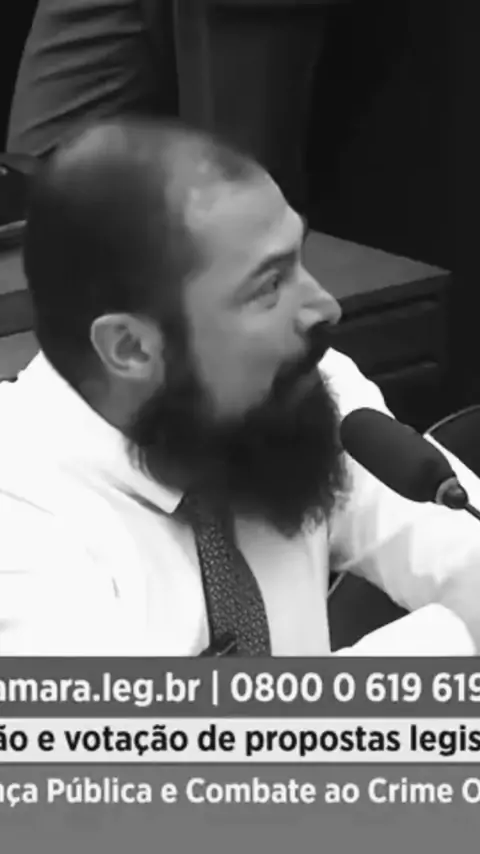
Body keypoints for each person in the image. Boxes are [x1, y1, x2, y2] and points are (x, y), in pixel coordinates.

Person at [1, 116, 480, 657]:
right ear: (131, 348)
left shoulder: (297, 387)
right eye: (269, 285)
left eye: (299, 259)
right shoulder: (16, 513)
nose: (325, 307)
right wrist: (454, 641)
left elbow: (467, 550)